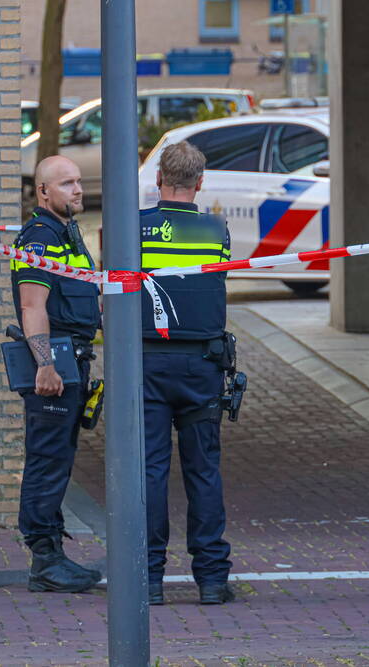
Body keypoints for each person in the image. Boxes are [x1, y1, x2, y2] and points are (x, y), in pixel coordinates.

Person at [141, 142, 235, 606]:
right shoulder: (216, 229)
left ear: (159, 178)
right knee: (203, 471)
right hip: (202, 364)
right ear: (201, 182)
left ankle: (150, 578)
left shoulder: (131, 229)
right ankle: (212, 579)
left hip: (147, 364)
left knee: (150, 470)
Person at [9, 155, 101, 593]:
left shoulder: (67, 233)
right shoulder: (40, 238)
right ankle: (45, 560)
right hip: (55, 364)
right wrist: (45, 364)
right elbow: (33, 306)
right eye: (66, 183)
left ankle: (53, 558)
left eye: (79, 182)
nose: (77, 189)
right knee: (47, 462)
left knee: (58, 460)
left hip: (72, 360)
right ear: (43, 191)